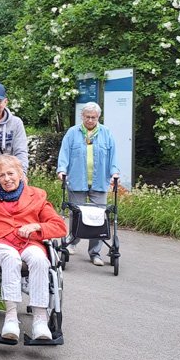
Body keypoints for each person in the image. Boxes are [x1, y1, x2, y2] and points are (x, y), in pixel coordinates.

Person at [0, 154, 66, 341]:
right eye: (1, 175)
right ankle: (11, 317)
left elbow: (60, 226)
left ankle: (40, 319)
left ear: (20, 173)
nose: (6, 179)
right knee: (11, 257)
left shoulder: (37, 195)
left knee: (40, 259)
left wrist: (37, 226)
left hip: (28, 242)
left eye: (10, 173)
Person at [56, 101, 119, 266]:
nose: (90, 120)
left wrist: (115, 172)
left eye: (94, 117)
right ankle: (72, 243)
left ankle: (95, 253)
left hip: (99, 182)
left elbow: (113, 156)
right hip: (77, 180)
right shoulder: (72, 133)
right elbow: (64, 153)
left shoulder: (106, 133)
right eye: (87, 117)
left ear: (98, 117)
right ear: (82, 116)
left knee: (99, 217)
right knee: (76, 214)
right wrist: (61, 170)